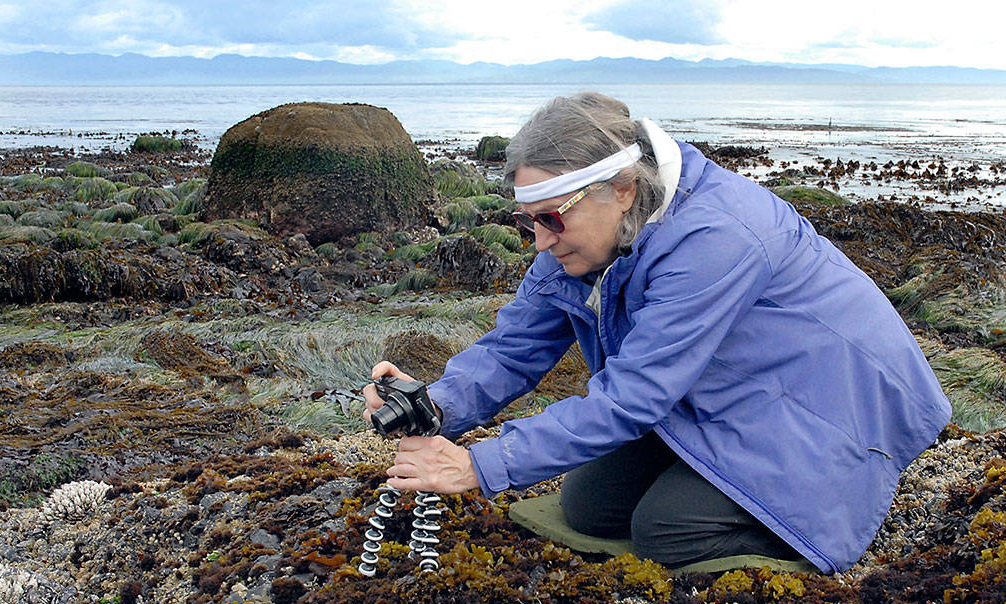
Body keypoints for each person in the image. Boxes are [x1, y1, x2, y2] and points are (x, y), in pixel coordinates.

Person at [365, 92, 951, 573]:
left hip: (830, 405)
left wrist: (480, 467)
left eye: (550, 218)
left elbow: (634, 397)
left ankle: (813, 525)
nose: (540, 241)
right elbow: (514, 348)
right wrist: (431, 407)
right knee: (586, 505)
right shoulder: (585, 236)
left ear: (621, 189)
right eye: (526, 221)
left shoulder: (716, 238)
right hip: (723, 391)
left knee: (664, 532)